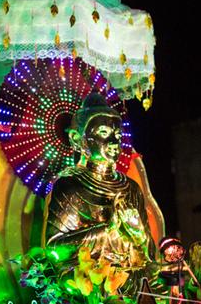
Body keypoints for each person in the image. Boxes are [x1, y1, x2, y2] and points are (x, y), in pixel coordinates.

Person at [45, 93, 157, 292]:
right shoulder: (70, 184)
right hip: (90, 276)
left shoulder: (131, 188)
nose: (114, 142)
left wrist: (139, 235)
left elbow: (149, 256)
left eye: (118, 135)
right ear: (77, 139)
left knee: (159, 282)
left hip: (130, 275)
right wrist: (108, 229)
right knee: (78, 286)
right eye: (103, 132)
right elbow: (55, 249)